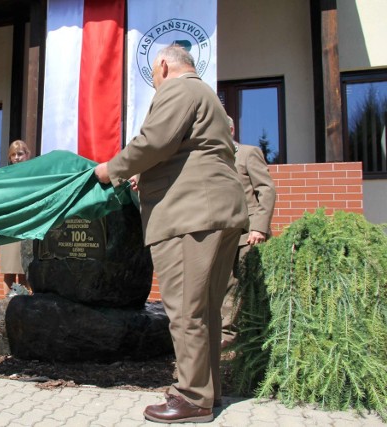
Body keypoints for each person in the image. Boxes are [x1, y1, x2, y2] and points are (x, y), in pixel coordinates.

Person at [94, 45, 248, 423]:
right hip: (218, 210)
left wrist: (110, 169)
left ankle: (192, 398)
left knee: (184, 311)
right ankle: (209, 391)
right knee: (206, 310)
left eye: (153, 76)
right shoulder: (207, 93)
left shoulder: (178, 90)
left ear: (162, 65)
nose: (155, 83)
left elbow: (154, 141)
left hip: (188, 214)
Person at [220, 116, 276, 349]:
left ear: (231, 129)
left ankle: (230, 339)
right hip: (221, 234)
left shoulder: (248, 153)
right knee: (222, 284)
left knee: (240, 286)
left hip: (248, 235)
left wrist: (259, 227)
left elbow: (266, 189)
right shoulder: (212, 159)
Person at [0, 140, 32, 295]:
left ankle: (24, 306)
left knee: (25, 270)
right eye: (13, 155)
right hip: (9, 227)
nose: (17, 157)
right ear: (9, 158)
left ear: (27, 155)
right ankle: (5, 305)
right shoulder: (5, 176)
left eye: (20, 154)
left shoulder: (33, 174)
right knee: (9, 269)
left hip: (27, 226)